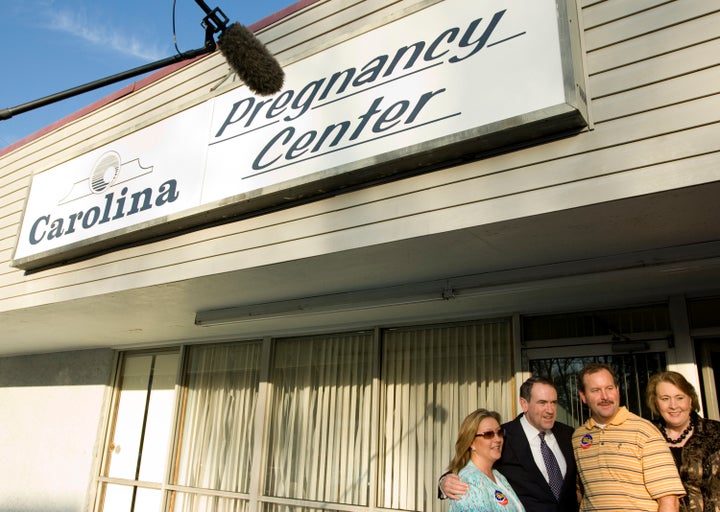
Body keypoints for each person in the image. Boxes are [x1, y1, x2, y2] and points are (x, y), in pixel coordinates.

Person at [440, 376, 578, 511]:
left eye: (553, 402)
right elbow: (471, 470)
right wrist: (444, 483)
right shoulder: (502, 436)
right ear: (524, 404)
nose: (550, 410)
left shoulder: (568, 434)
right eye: (542, 403)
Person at [573, 363, 685, 511]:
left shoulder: (644, 431)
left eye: (609, 388)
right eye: (595, 390)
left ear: (618, 391)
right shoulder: (578, 437)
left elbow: (669, 500)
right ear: (583, 397)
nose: (605, 396)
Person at [646, 370, 720, 512]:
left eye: (680, 397)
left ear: (690, 400)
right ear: (655, 402)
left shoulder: (715, 432)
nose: (673, 406)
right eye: (665, 398)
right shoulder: (648, 436)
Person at [446, 408, 525, 511]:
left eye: (499, 432)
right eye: (488, 434)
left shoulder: (497, 475)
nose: (497, 439)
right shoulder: (469, 482)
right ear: (471, 442)